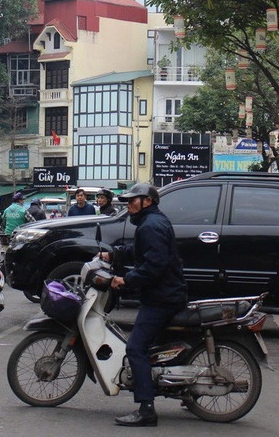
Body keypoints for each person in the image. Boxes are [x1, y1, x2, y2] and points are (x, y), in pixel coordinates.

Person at [100, 183, 187, 427]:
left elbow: (153, 266)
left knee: (136, 348)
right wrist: (113, 254)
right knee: (153, 348)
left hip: (162, 298)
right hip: (166, 293)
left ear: (146, 202)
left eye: (131, 202)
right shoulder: (153, 223)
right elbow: (142, 252)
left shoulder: (151, 226)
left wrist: (125, 280)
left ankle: (147, 409)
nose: (128, 207)